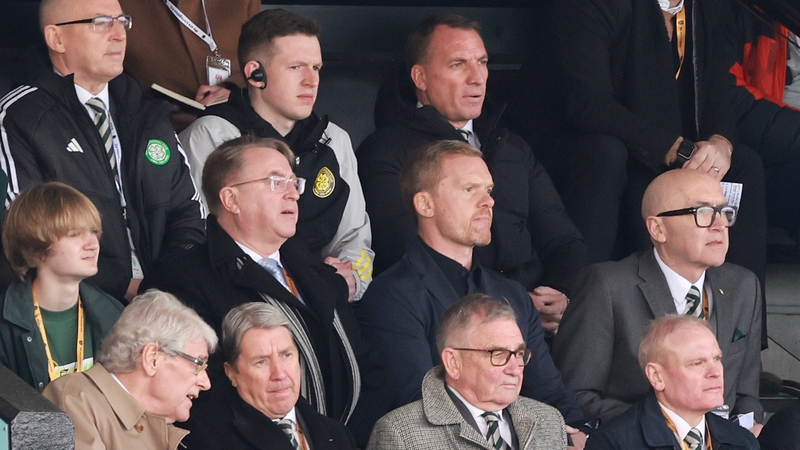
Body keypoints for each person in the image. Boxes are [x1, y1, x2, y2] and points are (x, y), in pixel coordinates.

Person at [507, 0, 767, 307]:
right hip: (576, 142)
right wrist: (672, 148)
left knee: (744, 165)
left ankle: (739, 323)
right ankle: (576, 301)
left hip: (665, 143)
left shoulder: (705, 7)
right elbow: (587, 105)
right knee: (607, 153)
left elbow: (719, 88)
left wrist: (721, 143)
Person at [357, 13, 587, 330]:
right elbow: (406, 256)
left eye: (482, 62)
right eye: (458, 64)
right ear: (420, 78)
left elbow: (565, 242)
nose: (477, 77)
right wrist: (511, 302)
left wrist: (560, 291)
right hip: (451, 324)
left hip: (536, 321)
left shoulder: (511, 146)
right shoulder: (386, 150)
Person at [355, 140, 587, 448]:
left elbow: (549, 392)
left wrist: (575, 432)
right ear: (425, 204)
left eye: (489, 190)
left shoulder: (512, 295)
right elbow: (425, 408)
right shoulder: (391, 297)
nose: (489, 202)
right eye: (469, 190)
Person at [141, 135, 361, 425]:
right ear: (231, 199)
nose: (293, 194)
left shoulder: (314, 269)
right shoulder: (181, 281)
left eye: (294, 182)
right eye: (275, 182)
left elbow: (366, 361)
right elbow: (206, 398)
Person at [0, 0, 206, 302]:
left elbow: (188, 212)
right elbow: (28, 231)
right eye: (100, 22)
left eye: (122, 21)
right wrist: (124, 286)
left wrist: (164, 287)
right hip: (81, 304)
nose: (119, 33)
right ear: (56, 39)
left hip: (167, 300)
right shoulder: (22, 117)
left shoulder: (146, 111)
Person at [180, 9, 373, 301]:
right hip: (237, 303)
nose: (311, 81)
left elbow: (355, 240)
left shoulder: (335, 140)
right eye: (296, 67)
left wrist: (352, 281)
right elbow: (195, 239)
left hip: (323, 300)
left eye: (317, 68)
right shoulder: (211, 136)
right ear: (255, 74)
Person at [553, 169, 763, 434]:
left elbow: (746, 394)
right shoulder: (608, 285)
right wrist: (675, 425)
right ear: (658, 228)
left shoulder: (743, 285)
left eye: (724, 212)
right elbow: (575, 394)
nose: (719, 224)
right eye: (703, 213)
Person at [367, 294, 567, 450]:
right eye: (498, 354)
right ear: (453, 362)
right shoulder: (400, 433)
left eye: (519, 353)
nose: (515, 369)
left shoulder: (549, 420)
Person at [43, 289, 217, 450]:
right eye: (198, 364)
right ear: (152, 358)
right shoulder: (74, 399)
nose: (206, 383)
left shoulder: (157, 423)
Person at [182, 302, 357, 450]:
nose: (279, 374)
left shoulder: (336, 434)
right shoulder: (203, 438)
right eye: (261, 361)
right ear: (232, 373)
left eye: (286, 355)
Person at [0, 182, 123, 392]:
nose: (92, 244)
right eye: (75, 234)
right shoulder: (5, 323)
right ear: (35, 247)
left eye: (93, 232)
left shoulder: (115, 314)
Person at [586, 315, 760, 449]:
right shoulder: (613, 443)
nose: (715, 372)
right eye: (697, 363)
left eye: (717, 358)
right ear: (656, 376)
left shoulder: (742, 441)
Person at [119, 0, 260, 106]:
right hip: (162, 123)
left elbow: (262, 55)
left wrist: (234, 89)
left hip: (239, 112)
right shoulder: (121, 5)